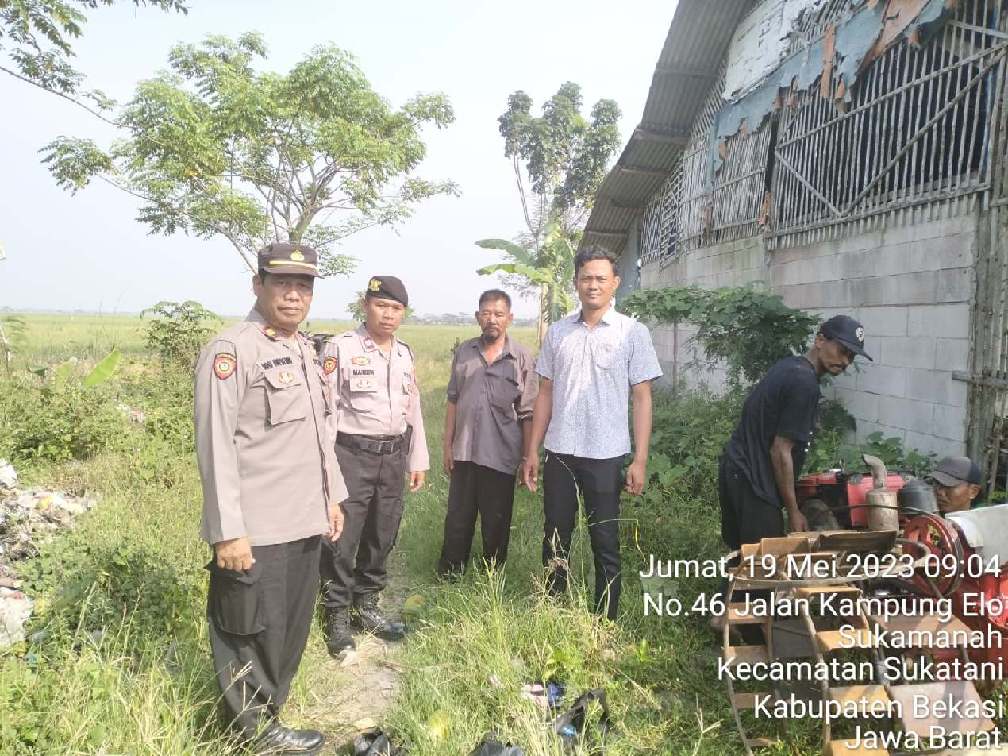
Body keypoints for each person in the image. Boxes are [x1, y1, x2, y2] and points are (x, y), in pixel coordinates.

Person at [194, 241, 348, 754]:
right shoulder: (232, 350)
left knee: (288, 626)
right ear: (257, 285)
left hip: (303, 519)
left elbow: (321, 436)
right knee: (248, 628)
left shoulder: (303, 349)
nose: (293, 295)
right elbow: (215, 445)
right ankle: (253, 732)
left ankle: (270, 715)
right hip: (255, 525)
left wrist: (332, 499)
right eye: (282, 283)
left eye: (303, 285)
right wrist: (227, 529)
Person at [521, 246, 663, 620]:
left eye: (601, 278)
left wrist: (640, 459)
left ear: (615, 283)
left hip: (607, 453)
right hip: (561, 451)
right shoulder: (558, 333)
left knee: (605, 540)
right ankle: (554, 610)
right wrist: (533, 450)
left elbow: (642, 397)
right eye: (586, 278)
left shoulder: (632, 332)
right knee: (556, 537)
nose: (593, 285)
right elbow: (546, 392)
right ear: (576, 283)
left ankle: (606, 618)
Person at [318, 276, 429, 655]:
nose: (388, 315)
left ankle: (366, 605)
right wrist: (327, 470)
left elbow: (412, 411)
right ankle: (335, 615)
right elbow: (326, 414)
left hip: (393, 455)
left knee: (383, 532)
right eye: (382, 306)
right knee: (342, 538)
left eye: (396, 309)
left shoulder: (405, 354)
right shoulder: (341, 349)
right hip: (351, 454)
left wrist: (417, 459)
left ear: (403, 313)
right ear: (366, 305)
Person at [719, 314, 871, 553]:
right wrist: (793, 510)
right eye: (842, 350)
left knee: (744, 562)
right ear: (820, 340)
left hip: (736, 471)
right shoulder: (804, 383)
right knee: (765, 571)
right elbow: (780, 450)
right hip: (753, 481)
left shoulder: (790, 366)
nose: (846, 361)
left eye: (851, 356)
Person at [436, 289, 538, 577]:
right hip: (465, 450)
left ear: (510, 318)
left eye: (499, 314)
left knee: (496, 520)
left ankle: (491, 577)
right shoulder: (465, 352)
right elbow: (453, 401)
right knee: (458, 517)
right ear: (477, 316)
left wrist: (527, 457)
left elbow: (527, 413)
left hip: (501, 453)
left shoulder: (520, 358)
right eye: (486, 313)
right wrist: (447, 447)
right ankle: (450, 573)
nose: (492, 319)